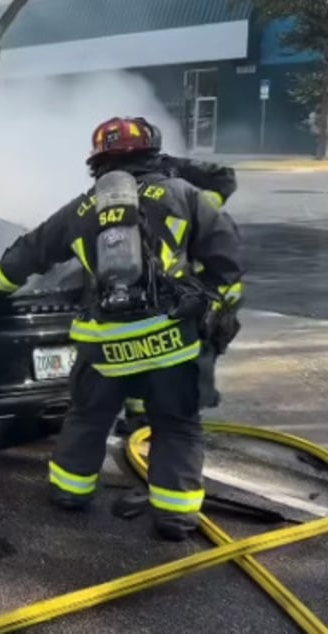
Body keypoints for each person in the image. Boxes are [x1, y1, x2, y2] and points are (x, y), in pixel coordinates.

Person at [0, 116, 244, 541]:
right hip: (171, 343)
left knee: (87, 418)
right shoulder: (183, 195)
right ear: (153, 152)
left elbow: (25, 255)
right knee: (177, 426)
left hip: (104, 346)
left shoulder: (82, 209)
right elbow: (228, 261)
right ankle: (174, 515)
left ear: (96, 163)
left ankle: (70, 492)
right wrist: (217, 309)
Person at [114, 120, 243, 434]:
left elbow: (224, 178)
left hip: (201, 277)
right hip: (173, 279)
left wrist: (199, 209)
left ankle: (180, 421)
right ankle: (142, 420)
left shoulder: (172, 170)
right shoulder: (117, 182)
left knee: (199, 345)